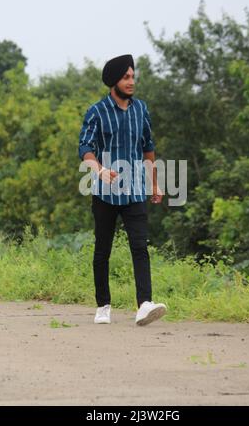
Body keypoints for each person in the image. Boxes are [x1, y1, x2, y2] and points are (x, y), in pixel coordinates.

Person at [78, 54, 167, 326]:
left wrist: (154, 182)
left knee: (140, 247)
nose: (131, 81)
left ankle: (145, 305)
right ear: (113, 81)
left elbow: (148, 147)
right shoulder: (97, 111)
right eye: (126, 77)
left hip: (135, 190)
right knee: (102, 249)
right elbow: (85, 148)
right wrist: (100, 170)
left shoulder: (141, 109)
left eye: (133, 76)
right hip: (105, 192)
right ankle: (103, 305)